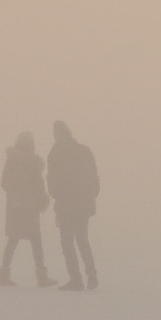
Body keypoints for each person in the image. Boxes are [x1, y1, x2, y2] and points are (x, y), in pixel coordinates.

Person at [46, 120, 101, 291]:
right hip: (84, 203)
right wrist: (90, 195)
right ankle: (92, 276)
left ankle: (75, 278)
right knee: (82, 239)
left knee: (67, 241)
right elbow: (94, 176)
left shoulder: (56, 152)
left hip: (66, 204)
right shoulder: (84, 150)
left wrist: (57, 198)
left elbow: (53, 180)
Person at [0, 131, 55, 286]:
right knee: (33, 240)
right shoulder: (26, 162)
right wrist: (38, 198)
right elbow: (35, 184)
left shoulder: (16, 161)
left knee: (16, 240)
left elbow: (5, 183)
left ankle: (5, 275)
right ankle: (41, 276)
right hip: (26, 206)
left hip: (19, 206)